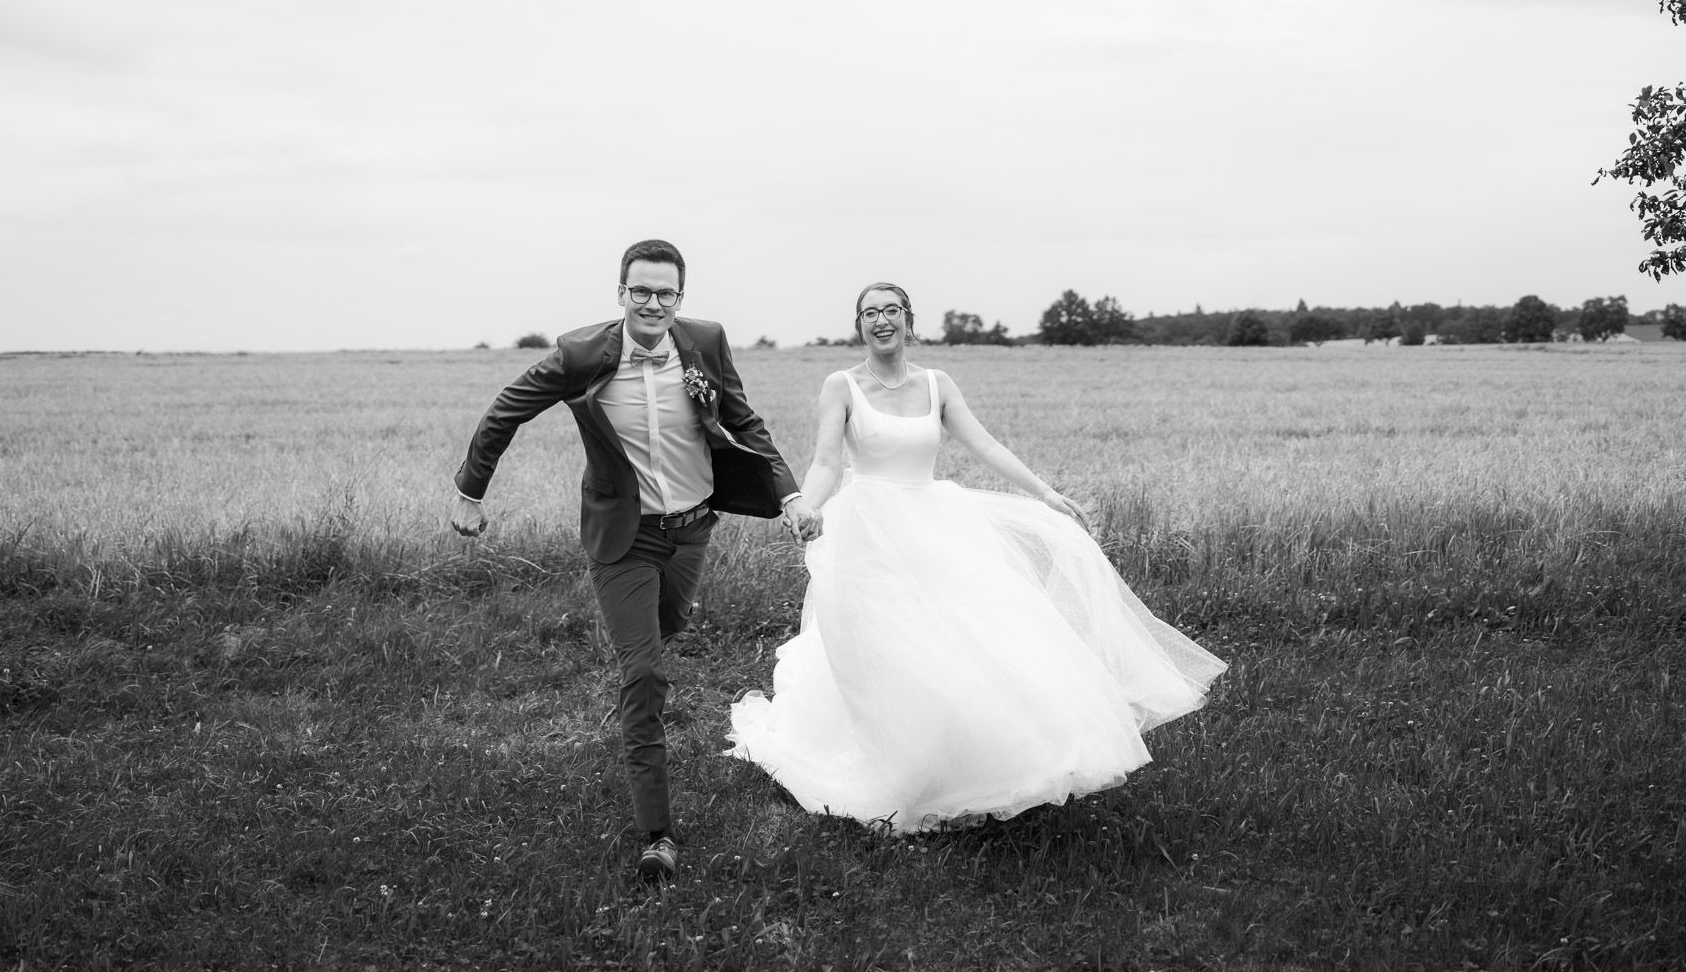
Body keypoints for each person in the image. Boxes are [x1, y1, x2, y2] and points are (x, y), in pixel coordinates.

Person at [727, 282, 1226, 834]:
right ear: (859, 325)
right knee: (885, 646)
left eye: (891, 310)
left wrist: (1046, 494)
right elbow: (826, 461)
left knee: (959, 640)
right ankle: (893, 766)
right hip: (867, 530)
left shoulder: (937, 383)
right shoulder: (840, 385)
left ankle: (965, 763)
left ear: (908, 319)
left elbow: (985, 445)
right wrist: (807, 506)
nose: (881, 320)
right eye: (870, 313)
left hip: (932, 524)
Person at [451, 240, 821, 880]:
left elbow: (744, 421)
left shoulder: (705, 342)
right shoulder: (580, 355)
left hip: (693, 530)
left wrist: (788, 495)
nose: (653, 303)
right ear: (621, 293)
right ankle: (657, 835)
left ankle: (641, 654)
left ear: (681, 297)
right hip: (624, 538)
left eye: (665, 292)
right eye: (640, 291)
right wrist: (469, 492)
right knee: (645, 674)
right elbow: (505, 410)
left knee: (665, 628)